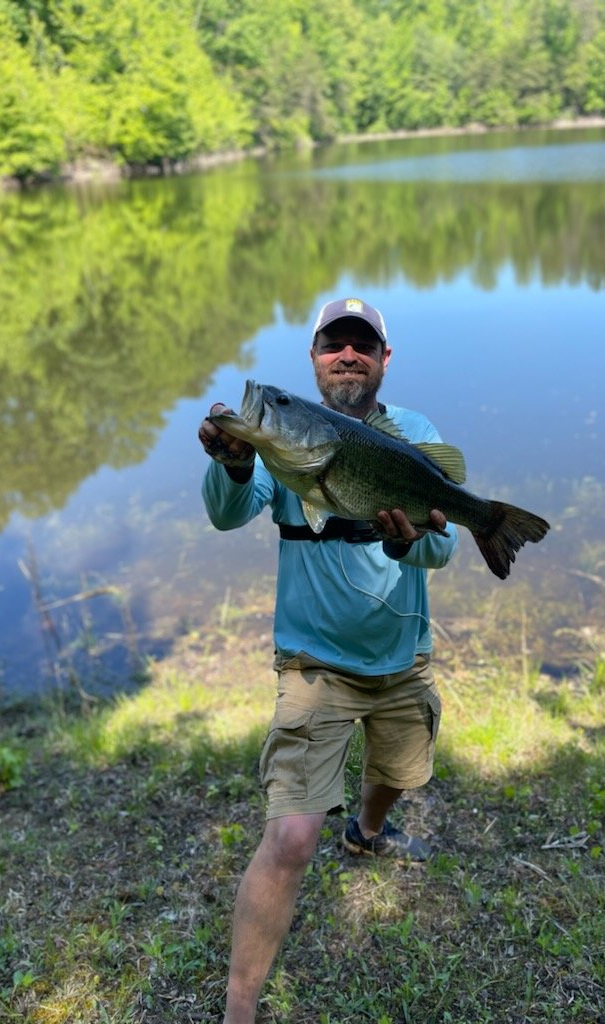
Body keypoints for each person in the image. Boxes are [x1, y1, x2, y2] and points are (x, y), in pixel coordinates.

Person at [198, 297, 459, 1024]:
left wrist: (412, 539)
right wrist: (234, 461)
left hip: (400, 658)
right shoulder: (285, 441)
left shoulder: (414, 436)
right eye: (332, 345)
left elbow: (441, 546)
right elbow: (227, 511)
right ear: (313, 360)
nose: (348, 355)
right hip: (313, 665)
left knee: (397, 774)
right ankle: (240, 1008)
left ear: (383, 360)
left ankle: (368, 831)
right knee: (289, 835)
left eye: (362, 345)